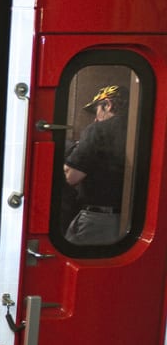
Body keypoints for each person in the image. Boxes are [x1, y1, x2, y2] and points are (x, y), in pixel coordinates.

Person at [63, 84, 129, 245]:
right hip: (131, 218)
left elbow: (72, 176)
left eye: (96, 110)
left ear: (108, 105)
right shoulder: (141, 130)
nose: (95, 118)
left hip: (98, 219)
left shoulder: (98, 130)